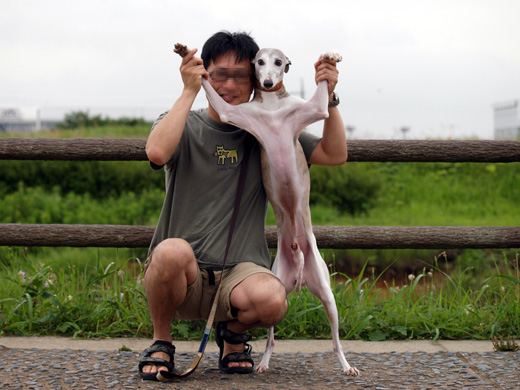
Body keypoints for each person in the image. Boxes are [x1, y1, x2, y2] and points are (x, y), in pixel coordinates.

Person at [138, 30, 347, 380]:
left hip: (239, 275)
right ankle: (161, 341)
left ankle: (233, 336)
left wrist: (331, 95)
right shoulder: (185, 124)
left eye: (240, 76)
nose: (230, 86)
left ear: (256, 80)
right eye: (219, 74)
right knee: (169, 252)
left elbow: (334, 154)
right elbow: (157, 152)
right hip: (184, 271)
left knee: (273, 299)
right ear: (205, 73)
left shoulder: (268, 128)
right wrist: (190, 90)